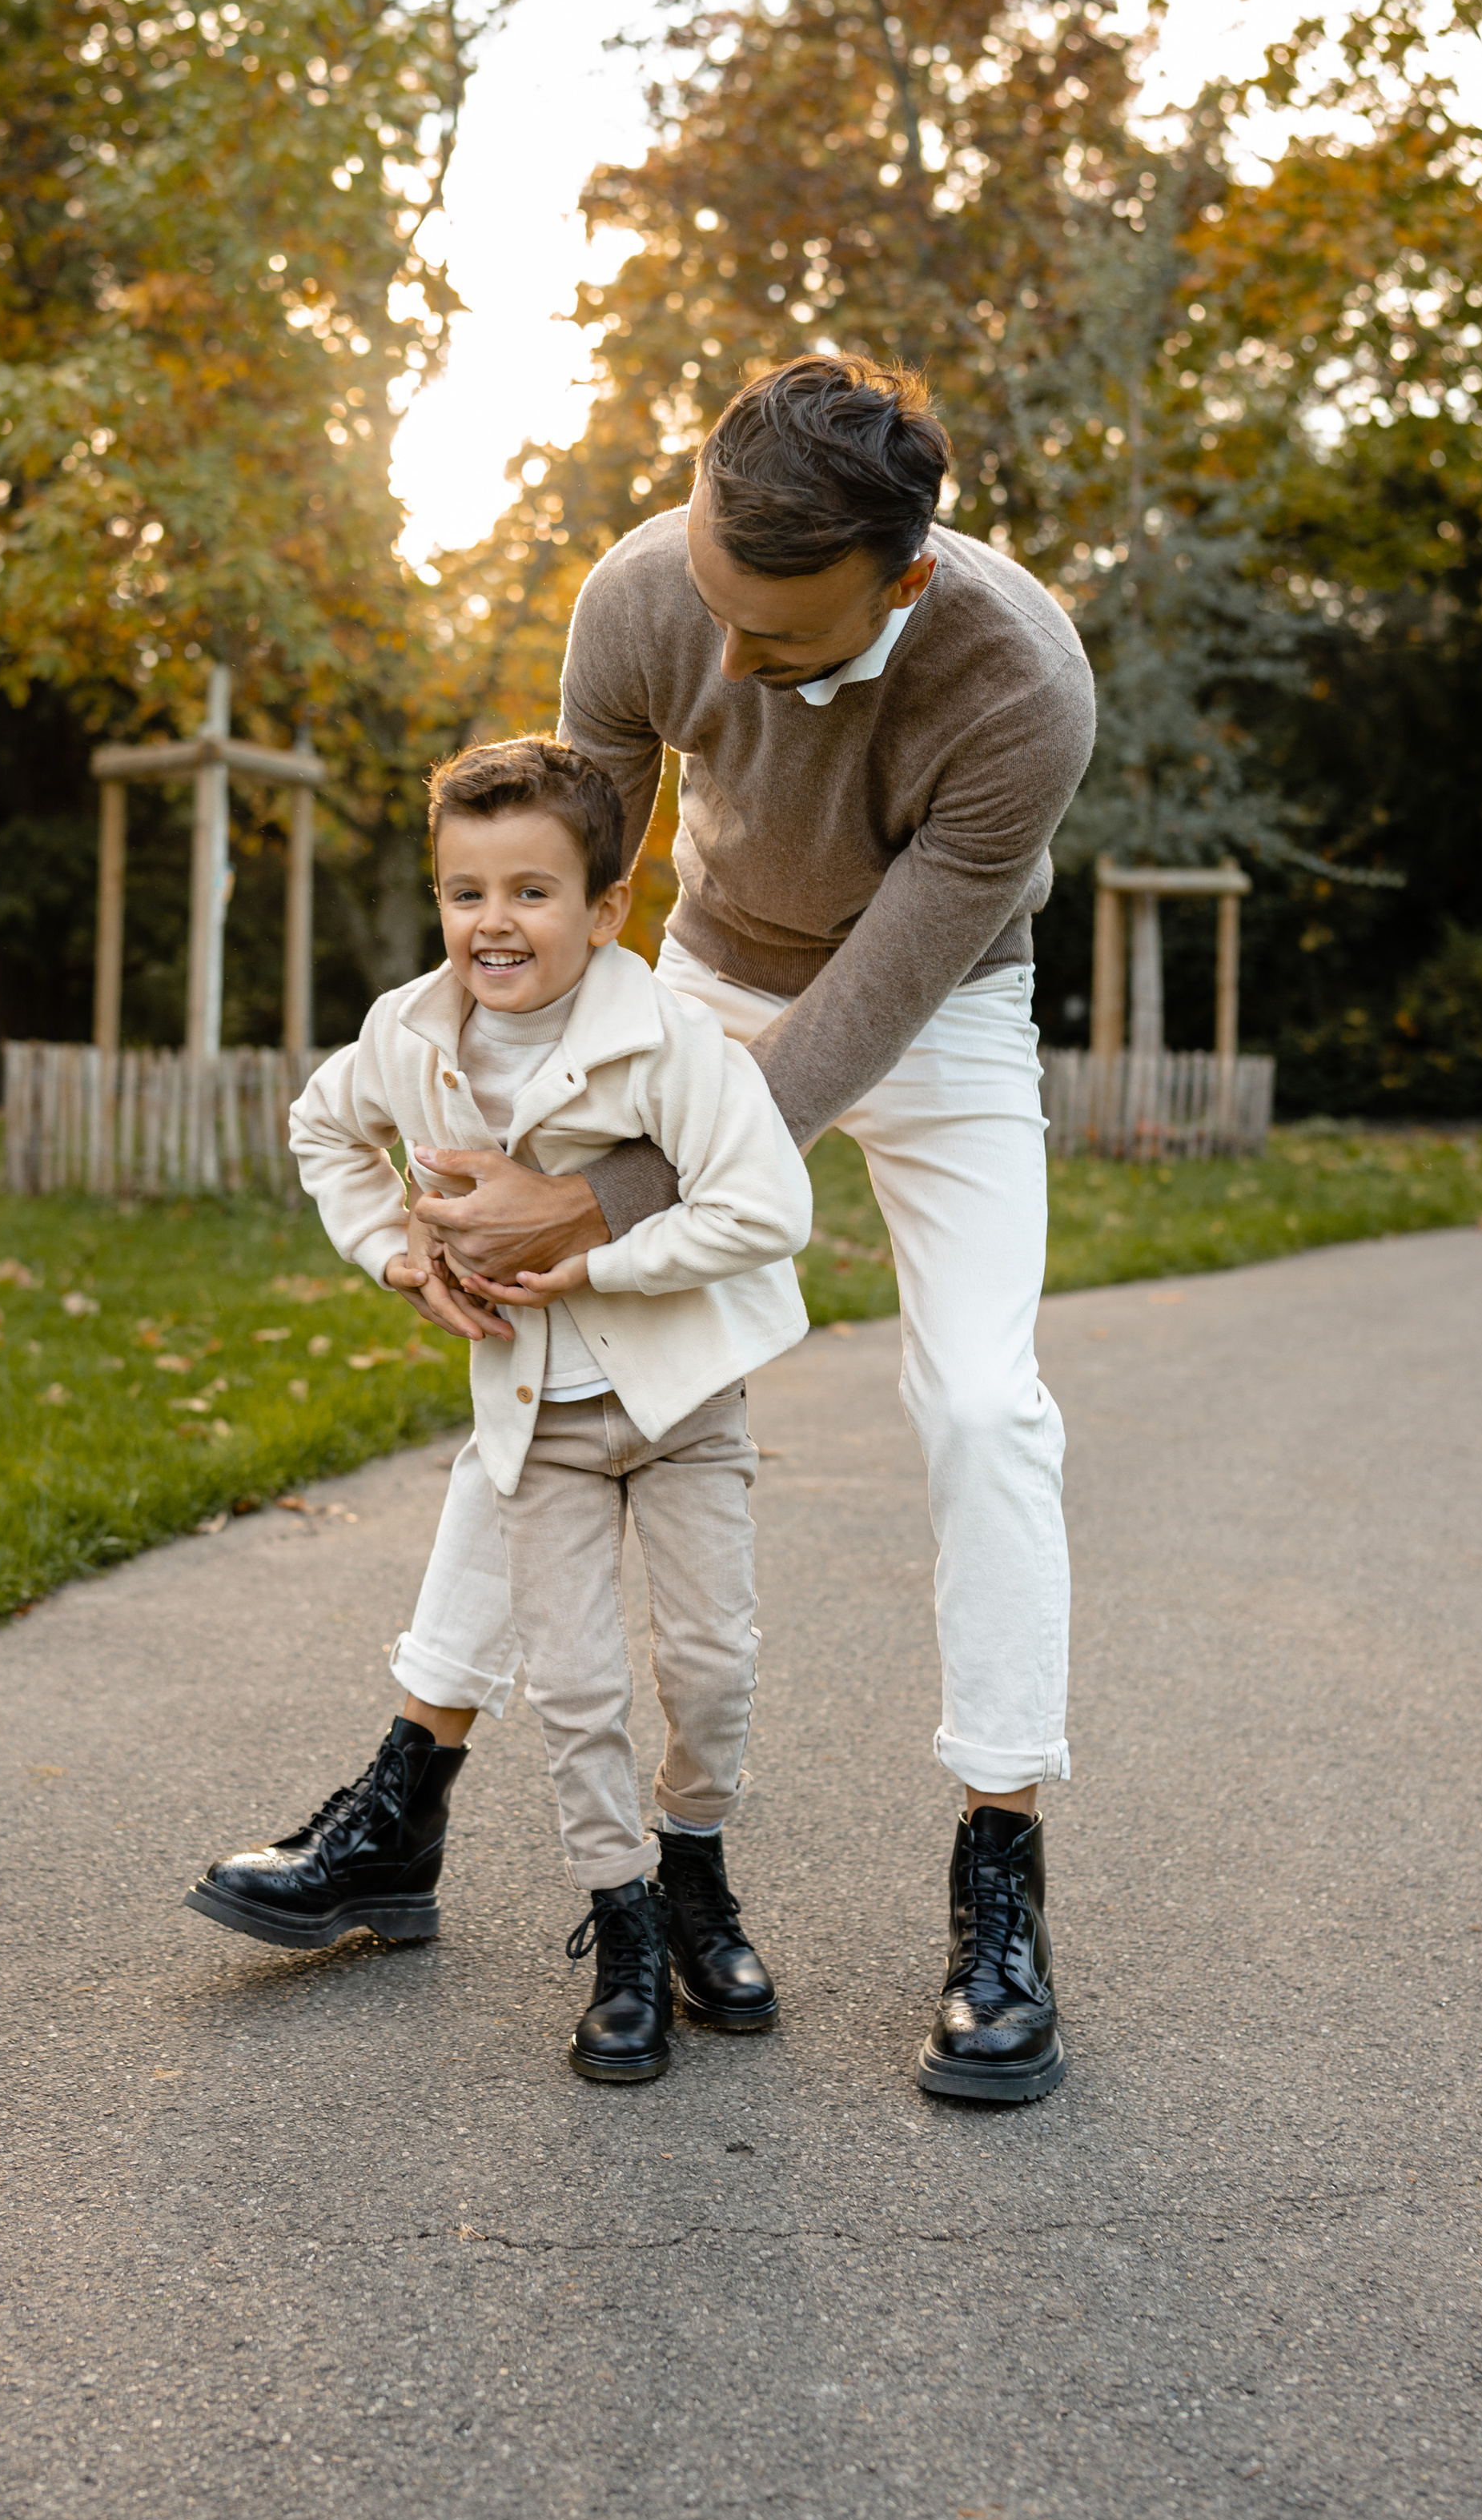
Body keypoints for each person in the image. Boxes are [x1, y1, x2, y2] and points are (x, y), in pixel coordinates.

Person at [192, 349, 1096, 2104]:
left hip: (933, 1010)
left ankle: (998, 1867)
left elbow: (853, 1023)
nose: (731, 667)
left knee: (984, 1404)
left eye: (780, 642)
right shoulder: (641, 592)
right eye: (714, 613)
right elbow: (562, 891)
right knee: (544, 1352)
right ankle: (405, 1797)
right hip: (684, 984)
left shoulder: (1020, 689)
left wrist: (599, 1195)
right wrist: (492, 1177)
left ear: (900, 576)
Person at [189, 735, 813, 2083]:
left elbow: (771, 1207)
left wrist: (603, 1260)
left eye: (532, 893)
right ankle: (626, 1926)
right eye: (466, 893)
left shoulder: (666, 1042)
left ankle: (695, 1868)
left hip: (686, 1402)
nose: (494, 923)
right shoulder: (407, 1040)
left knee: (712, 1670)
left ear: (604, 912)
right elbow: (321, 1128)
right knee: (577, 1688)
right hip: (545, 1424)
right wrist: (399, 1259)